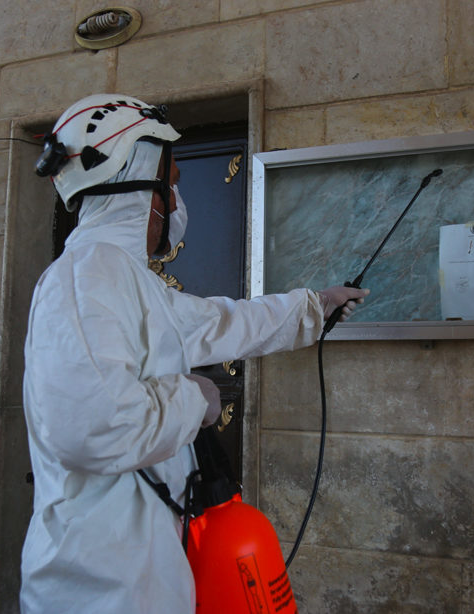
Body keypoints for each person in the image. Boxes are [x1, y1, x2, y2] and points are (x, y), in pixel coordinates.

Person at [20, 94, 368, 614]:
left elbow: (223, 322)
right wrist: (194, 398)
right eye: (175, 182)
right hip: (94, 585)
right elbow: (90, 427)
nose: (179, 200)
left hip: (138, 571)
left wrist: (314, 308)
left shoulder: (125, 280)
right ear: (144, 183)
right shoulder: (84, 279)